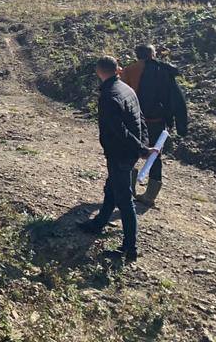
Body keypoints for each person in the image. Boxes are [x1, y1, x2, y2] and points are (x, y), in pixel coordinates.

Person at [77, 55, 150, 262]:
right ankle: (99, 223)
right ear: (116, 69)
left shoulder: (108, 95)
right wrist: (143, 144)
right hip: (129, 151)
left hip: (120, 153)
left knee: (125, 200)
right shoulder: (127, 89)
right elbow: (140, 118)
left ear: (99, 72)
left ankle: (129, 248)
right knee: (111, 187)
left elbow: (119, 130)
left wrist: (141, 147)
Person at [120, 44, 188, 205]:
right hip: (157, 121)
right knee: (155, 155)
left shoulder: (129, 70)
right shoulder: (163, 70)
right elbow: (178, 99)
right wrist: (181, 126)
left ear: (137, 55)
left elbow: (121, 95)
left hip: (134, 120)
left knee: (130, 151)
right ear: (152, 54)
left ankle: (128, 190)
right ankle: (150, 196)